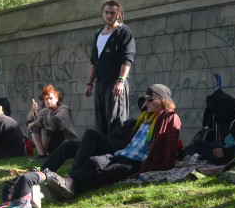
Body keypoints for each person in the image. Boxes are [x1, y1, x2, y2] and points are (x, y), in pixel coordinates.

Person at [44, 84, 181, 200]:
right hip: (121, 154)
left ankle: (67, 189)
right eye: (146, 100)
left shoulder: (168, 117)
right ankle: (67, 182)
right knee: (93, 162)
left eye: (150, 100)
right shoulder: (145, 118)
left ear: (162, 100)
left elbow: (167, 146)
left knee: (105, 174)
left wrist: (159, 164)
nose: (146, 104)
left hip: (133, 162)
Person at [84, 0, 136, 151]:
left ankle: (115, 154)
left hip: (115, 83)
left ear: (118, 14)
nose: (109, 16)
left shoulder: (124, 32)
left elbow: (127, 59)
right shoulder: (98, 33)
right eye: (106, 12)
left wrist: (120, 81)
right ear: (102, 13)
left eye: (112, 13)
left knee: (116, 121)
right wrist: (89, 83)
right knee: (101, 122)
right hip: (100, 84)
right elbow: (94, 61)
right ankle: (102, 154)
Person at [27, 85, 77, 158]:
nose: (48, 101)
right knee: (36, 126)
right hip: (54, 144)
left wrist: (34, 123)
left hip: (67, 143)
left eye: (50, 98)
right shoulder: (46, 110)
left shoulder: (64, 110)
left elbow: (54, 122)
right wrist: (33, 111)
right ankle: (42, 154)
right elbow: (30, 122)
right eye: (46, 99)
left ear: (57, 99)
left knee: (46, 126)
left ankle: (44, 154)